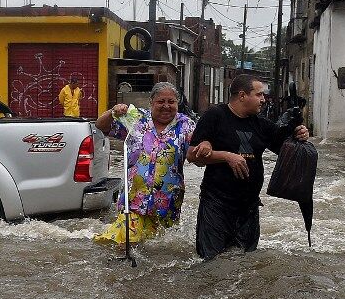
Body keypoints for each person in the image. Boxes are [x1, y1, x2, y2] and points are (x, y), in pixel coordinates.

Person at [186, 74, 310, 260]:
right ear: (242, 95)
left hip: (248, 207)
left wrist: (300, 133)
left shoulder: (261, 124)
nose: (263, 99)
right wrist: (227, 156)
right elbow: (192, 156)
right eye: (259, 94)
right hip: (217, 204)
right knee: (210, 263)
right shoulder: (215, 115)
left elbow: (286, 150)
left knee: (246, 263)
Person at [94, 82, 208, 244]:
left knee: (158, 247)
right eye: (161, 102)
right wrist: (113, 112)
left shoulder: (186, 125)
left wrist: (204, 149)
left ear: (177, 103)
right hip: (133, 200)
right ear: (151, 103)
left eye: (171, 102)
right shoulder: (136, 119)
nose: (166, 106)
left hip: (167, 201)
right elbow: (101, 126)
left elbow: (195, 157)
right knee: (124, 240)